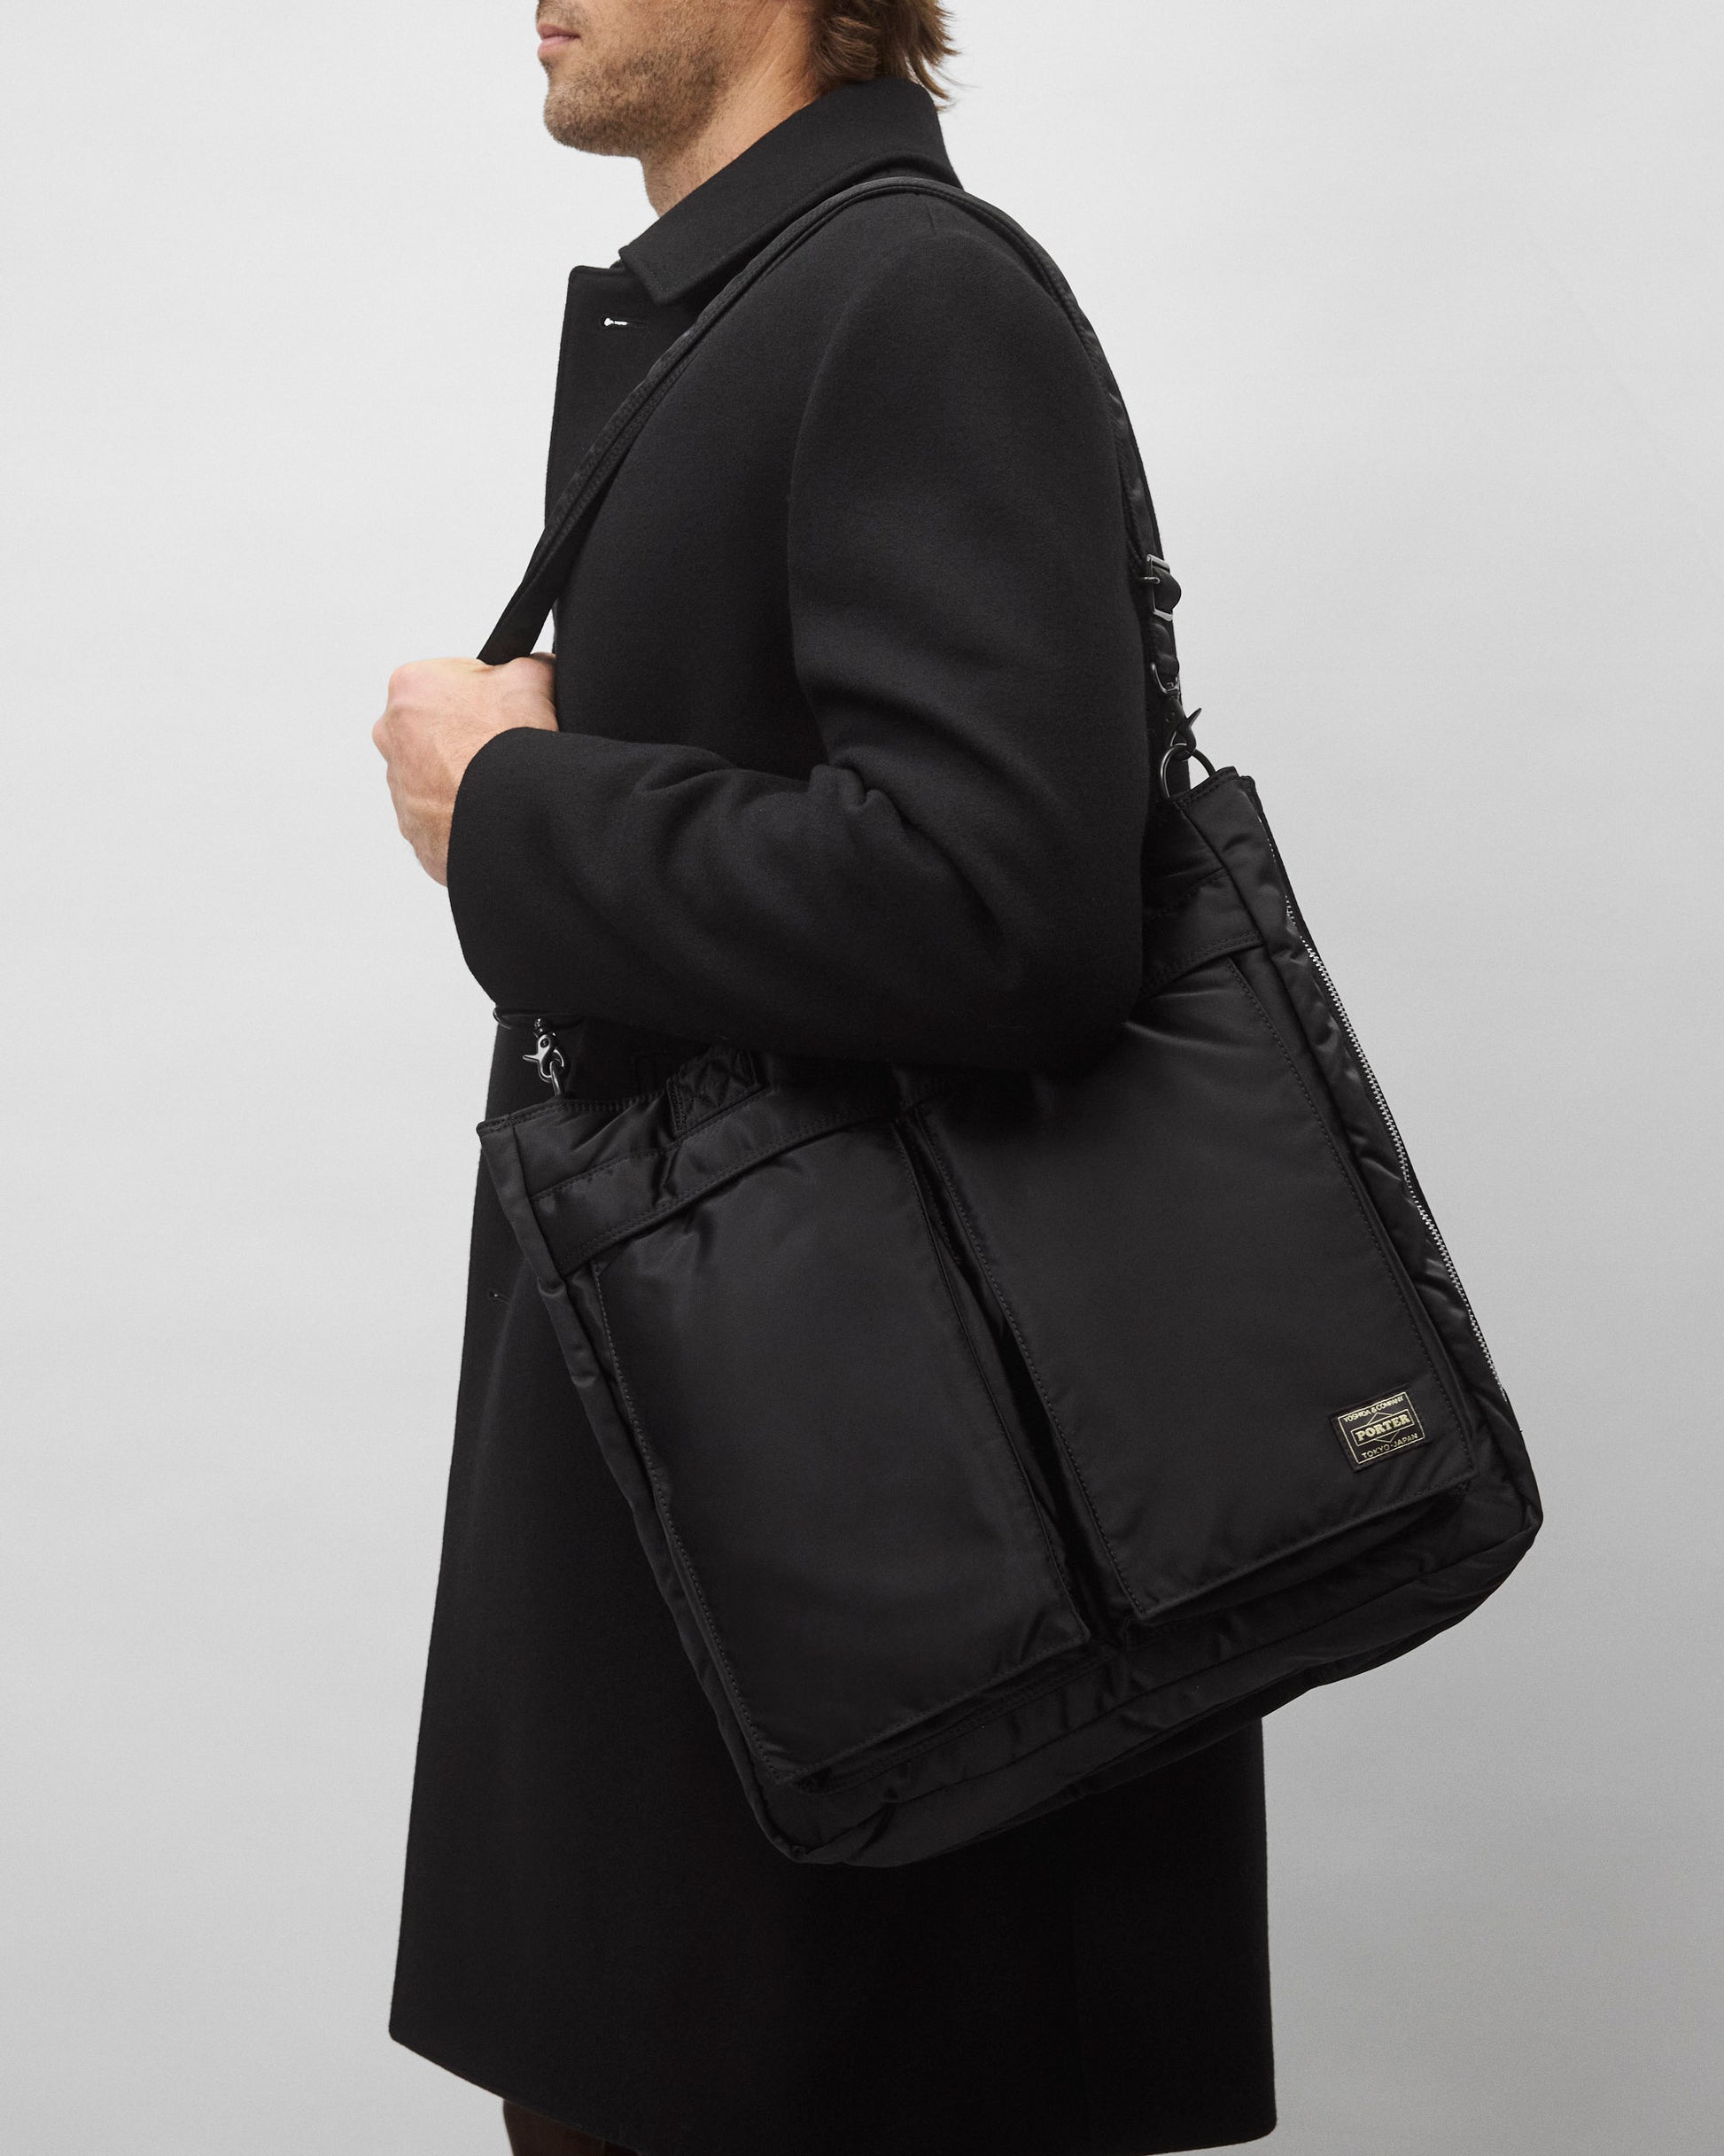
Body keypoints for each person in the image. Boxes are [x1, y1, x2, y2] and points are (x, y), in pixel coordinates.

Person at [373, 5, 1277, 2152]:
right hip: (782, 1587)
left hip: (896, 1632)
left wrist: (517, 809)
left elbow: (1001, 908)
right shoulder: (766, 302)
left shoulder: (908, 297)